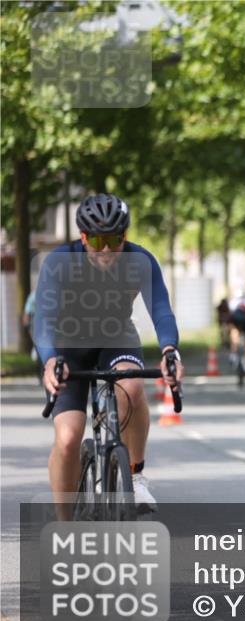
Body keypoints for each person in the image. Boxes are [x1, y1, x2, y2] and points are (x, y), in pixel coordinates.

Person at [35, 193, 184, 516]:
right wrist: (49, 358)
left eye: (114, 240)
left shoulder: (140, 260)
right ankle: (65, 527)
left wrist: (170, 349)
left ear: (125, 236)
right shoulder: (60, 262)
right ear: (83, 237)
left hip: (116, 337)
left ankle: (135, 474)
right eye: (98, 240)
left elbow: (161, 311)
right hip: (67, 347)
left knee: (131, 387)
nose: (106, 249)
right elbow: (44, 319)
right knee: (69, 437)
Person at [228, 289, 245, 374]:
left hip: (236, 323)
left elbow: (230, 314)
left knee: (234, 332)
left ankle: (233, 354)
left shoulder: (232, 302)